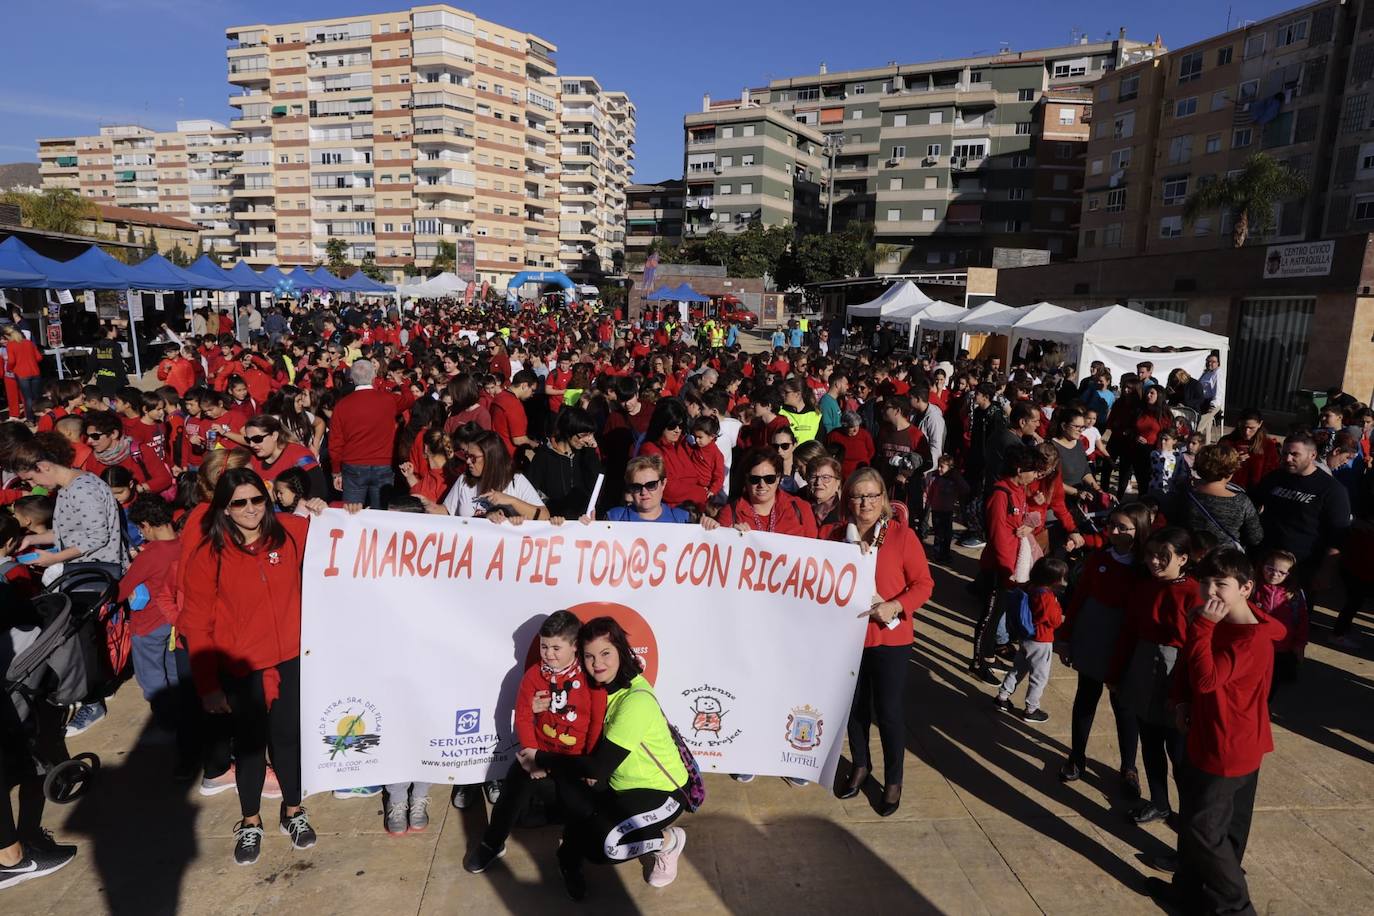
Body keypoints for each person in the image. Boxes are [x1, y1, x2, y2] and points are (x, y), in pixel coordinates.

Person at [179, 468, 318, 865]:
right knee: (252, 747)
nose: (251, 509)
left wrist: (336, 510)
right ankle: (250, 820)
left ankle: (294, 811)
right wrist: (208, 686)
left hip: (291, 658)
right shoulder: (209, 554)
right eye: (239, 502)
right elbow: (196, 624)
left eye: (257, 499)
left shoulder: (291, 532)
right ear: (223, 508)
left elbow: (344, 533)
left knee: (289, 740)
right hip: (242, 668)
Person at [1149, 549, 1286, 915]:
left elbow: (1207, 679)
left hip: (1229, 747)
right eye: (1205, 582)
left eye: (1220, 584)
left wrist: (1202, 627)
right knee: (1204, 820)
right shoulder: (1220, 619)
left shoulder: (1250, 638)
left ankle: (1235, 908)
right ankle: (1189, 894)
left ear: (1246, 588)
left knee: (1206, 831)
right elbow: (1188, 671)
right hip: (1208, 737)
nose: (1209, 592)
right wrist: (1179, 701)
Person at [533, 617, 689, 900]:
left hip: (661, 791)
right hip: (618, 783)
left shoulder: (635, 700)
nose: (597, 663)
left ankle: (668, 842)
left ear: (621, 650)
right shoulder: (593, 687)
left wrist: (542, 757)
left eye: (605, 653)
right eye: (589, 656)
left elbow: (598, 766)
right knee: (573, 801)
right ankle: (568, 859)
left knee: (604, 847)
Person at [464, 610, 607, 873]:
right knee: (510, 798)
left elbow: (597, 724)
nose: (548, 654)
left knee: (584, 809)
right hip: (540, 751)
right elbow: (523, 717)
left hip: (574, 760)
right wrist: (530, 755)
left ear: (575, 646)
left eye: (556, 647)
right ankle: (492, 843)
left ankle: (570, 860)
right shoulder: (533, 675)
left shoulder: (592, 679)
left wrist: (590, 766)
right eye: (544, 646)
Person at [831, 468, 934, 816]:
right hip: (848, 639)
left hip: (890, 638)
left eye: (872, 495)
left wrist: (896, 604)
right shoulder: (835, 536)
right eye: (858, 496)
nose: (865, 503)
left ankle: (893, 780)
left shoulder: (902, 536)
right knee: (854, 708)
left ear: (884, 500)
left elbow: (924, 584)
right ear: (848, 500)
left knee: (888, 712)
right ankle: (860, 764)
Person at [11, 432, 128, 735]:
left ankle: (92, 700)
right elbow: (69, 533)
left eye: (31, 477)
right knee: (85, 635)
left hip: (96, 570)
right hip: (85, 568)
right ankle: (98, 685)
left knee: (77, 635)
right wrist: (32, 539)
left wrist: (53, 559)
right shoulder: (70, 487)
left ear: (44, 466)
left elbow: (95, 538)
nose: (35, 486)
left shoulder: (82, 489)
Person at [1056, 502, 1151, 792]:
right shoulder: (1099, 558)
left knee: (1124, 705)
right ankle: (1076, 756)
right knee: (1086, 696)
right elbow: (1078, 598)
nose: (1114, 531)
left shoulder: (1145, 568)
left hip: (1125, 642)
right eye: (1112, 525)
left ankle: (1129, 766)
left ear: (1140, 531)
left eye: (1123, 527)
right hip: (1092, 636)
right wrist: (1065, 637)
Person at [1110, 527, 1199, 825]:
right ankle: (1159, 802)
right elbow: (1128, 631)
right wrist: (1117, 672)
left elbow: (1197, 646)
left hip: (1177, 673)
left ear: (1183, 558)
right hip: (1143, 667)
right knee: (1149, 742)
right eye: (1150, 555)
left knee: (1179, 751)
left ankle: (1190, 816)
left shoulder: (1194, 593)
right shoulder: (1145, 587)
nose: (1155, 562)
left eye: (1164, 556)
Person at [1254, 432, 1350, 588]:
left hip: (1302, 568)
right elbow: (1253, 505)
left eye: (1294, 454)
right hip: (1266, 561)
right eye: (1284, 453)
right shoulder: (1274, 478)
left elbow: (1338, 536)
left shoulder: (1332, 490)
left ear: (1312, 455)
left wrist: (1326, 571)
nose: (1287, 458)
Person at [994, 557, 1068, 722]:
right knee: (1039, 677)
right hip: (1041, 641)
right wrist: (1057, 604)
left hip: (1026, 638)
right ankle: (1031, 709)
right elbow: (1055, 621)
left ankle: (1002, 697)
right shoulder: (1046, 597)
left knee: (1018, 669)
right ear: (1052, 580)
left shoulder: (1029, 587)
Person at [329, 359, 409, 509]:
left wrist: (336, 472)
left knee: (351, 514)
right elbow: (409, 399)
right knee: (380, 516)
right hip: (383, 464)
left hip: (353, 465)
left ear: (351, 378)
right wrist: (401, 383)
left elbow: (335, 443)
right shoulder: (388, 399)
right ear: (373, 377)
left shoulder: (342, 405)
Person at [703, 449, 818, 539]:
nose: (762, 484)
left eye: (769, 478)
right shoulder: (730, 513)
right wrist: (728, 536)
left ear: (778, 478)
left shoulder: (800, 508)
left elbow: (812, 553)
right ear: (746, 479)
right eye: (755, 479)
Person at [441, 429, 546, 522]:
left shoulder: (515, 480)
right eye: (467, 456)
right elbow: (446, 511)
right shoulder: (464, 479)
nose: (468, 461)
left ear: (490, 458)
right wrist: (428, 506)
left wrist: (512, 501)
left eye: (473, 457)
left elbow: (544, 516)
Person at [1182, 444, 1264, 552]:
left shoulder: (1187, 494)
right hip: (1226, 561)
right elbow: (1255, 538)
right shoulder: (1241, 501)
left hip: (1192, 555)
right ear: (1231, 471)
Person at [523, 407, 602, 518]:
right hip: (555, 521)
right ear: (569, 430)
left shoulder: (585, 455)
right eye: (583, 435)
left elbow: (596, 487)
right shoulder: (545, 456)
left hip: (582, 521)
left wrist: (591, 453)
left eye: (590, 435)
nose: (587, 440)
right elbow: (529, 490)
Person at [1255, 549, 1307, 698]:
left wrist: (1299, 644)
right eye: (1270, 568)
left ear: (1289, 574)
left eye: (1281, 572)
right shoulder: (1253, 588)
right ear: (1262, 566)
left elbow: (1302, 621)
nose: (1274, 574)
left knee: (1273, 681)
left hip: (1282, 648)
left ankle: (1265, 705)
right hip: (1257, 645)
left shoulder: (1294, 594)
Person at [244, 414, 326, 496]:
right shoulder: (252, 461)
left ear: (274, 436)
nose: (252, 445)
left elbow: (318, 490)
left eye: (257, 439)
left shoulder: (298, 455)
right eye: (248, 440)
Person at [605, 455, 693, 524]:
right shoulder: (615, 518)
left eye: (651, 485)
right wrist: (593, 530)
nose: (644, 492)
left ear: (663, 484)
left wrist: (706, 526)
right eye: (636, 487)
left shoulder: (682, 519)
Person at [1221, 409, 1279, 496]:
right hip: (1228, 491)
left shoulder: (1267, 445)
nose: (1247, 432)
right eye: (1243, 427)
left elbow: (1272, 473)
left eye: (1251, 428)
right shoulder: (1227, 441)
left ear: (1260, 424)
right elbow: (1215, 467)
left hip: (1255, 494)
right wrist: (1232, 462)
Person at [925, 453, 969, 562]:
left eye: (942, 467)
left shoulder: (954, 480)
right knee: (939, 534)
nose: (939, 469)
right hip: (937, 511)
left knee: (948, 534)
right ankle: (938, 554)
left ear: (950, 468)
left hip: (948, 512)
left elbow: (966, 489)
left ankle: (946, 553)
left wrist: (956, 476)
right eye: (939, 466)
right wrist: (928, 503)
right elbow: (930, 492)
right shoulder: (935, 478)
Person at [2, 325, 42, 423]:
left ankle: (30, 419)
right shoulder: (29, 342)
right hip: (35, 371)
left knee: (27, 398)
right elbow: (39, 357)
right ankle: (40, 417)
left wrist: (9, 368)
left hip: (22, 373)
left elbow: (11, 361)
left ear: (8, 336)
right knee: (36, 397)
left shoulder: (11, 345)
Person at [828, 410, 875, 480]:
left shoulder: (864, 434)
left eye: (857, 426)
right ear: (845, 426)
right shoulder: (834, 435)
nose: (855, 429)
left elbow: (871, 450)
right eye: (852, 427)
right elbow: (829, 454)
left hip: (861, 473)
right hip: (841, 475)